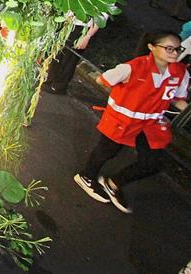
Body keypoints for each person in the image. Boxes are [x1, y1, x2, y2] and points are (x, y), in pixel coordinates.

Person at [74, 31, 188, 213]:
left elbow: (177, 98)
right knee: (107, 151)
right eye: (169, 49)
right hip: (122, 121)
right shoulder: (133, 68)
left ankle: (114, 183)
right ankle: (86, 176)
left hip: (151, 125)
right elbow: (103, 79)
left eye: (177, 49)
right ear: (151, 47)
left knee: (152, 163)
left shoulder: (180, 73)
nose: (175, 53)